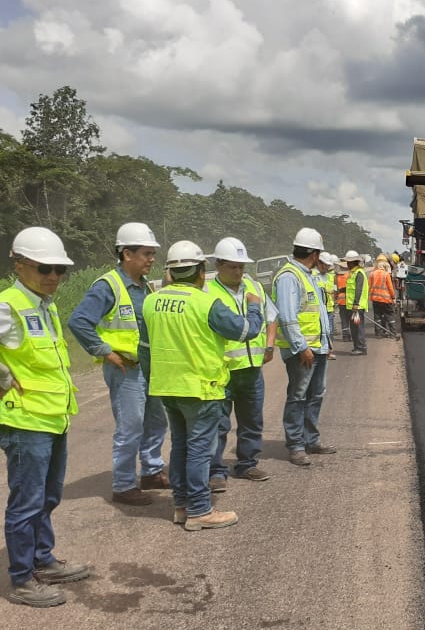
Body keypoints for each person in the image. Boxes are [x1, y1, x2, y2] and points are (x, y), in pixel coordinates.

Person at [143, 241, 262, 530]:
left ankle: (182, 505)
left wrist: (152, 382)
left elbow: (144, 349)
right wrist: (254, 307)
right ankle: (199, 509)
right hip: (200, 388)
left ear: (170, 272)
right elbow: (247, 330)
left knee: (180, 446)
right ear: (200, 270)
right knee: (198, 449)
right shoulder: (206, 303)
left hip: (166, 387)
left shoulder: (151, 301)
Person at [1, 227, 89, 607]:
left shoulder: (46, 305)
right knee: (26, 502)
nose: (53, 276)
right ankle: (22, 579)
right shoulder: (8, 304)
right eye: (44, 268)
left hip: (54, 417)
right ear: (19, 265)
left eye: (60, 269)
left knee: (49, 496)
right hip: (25, 422)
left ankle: (43, 559)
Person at [68, 222, 169, 507]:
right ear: (127, 253)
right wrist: (105, 352)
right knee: (130, 426)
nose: (152, 259)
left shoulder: (144, 286)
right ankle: (123, 485)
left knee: (157, 420)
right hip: (125, 370)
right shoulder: (108, 286)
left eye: (153, 254)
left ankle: (151, 471)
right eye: (147, 253)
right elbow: (79, 322)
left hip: (147, 368)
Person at [206, 237, 278, 492]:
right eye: (232, 267)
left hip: (251, 369)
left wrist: (269, 346)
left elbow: (272, 317)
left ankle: (247, 463)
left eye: (241, 267)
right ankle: (215, 471)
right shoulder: (208, 292)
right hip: (222, 371)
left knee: (252, 420)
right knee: (218, 424)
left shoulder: (254, 287)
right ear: (218, 265)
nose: (238, 272)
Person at [271, 228, 336, 467]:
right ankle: (296, 445)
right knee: (298, 396)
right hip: (302, 351)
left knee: (315, 394)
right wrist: (301, 347)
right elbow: (287, 318)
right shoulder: (289, 277)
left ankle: (311, 440)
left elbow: (318, 313)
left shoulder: (309, 275)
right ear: (315, 253)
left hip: (317, 348)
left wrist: (326, 344)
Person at [343, 249, 369, 353]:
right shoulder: (352, 273)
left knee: (358, 328)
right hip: (351, 306)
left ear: (353, 262)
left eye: (349, 262)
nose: (347, 264)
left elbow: (359, 289)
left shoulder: (359, 273)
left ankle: (361, 347)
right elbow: (351, 288)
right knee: (353, 328)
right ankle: (357, 346)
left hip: (357, 307)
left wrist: (356, 303)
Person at [315, 251, 338, 360]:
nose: (327, 267)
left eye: (328, 265)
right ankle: (320, 351)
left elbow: (334, 290)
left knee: (330, 331)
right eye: (325, 265)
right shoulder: (313, 276)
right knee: (320, 331)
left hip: (329, 308)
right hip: (318, 310)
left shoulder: (330, 277)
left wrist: (334, 302)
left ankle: (329, 351)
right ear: (319, 263)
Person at [370, 254, 397, 337]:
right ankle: (393, 333)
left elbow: (369, 286)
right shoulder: (386, 274)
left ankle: (378, 334)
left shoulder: (372, 274)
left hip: (375, 299)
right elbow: (390, 288)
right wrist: (393, 297)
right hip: (386, 299)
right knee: (389, 316)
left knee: (377, 316)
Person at [335, 257, 351, 342]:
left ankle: (345, 336)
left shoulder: (336, 277)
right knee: (351, 320)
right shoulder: (350, 275)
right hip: (349, 301)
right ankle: (352, 335)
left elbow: (335, 289)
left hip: (341, 301)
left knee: (344, 320)